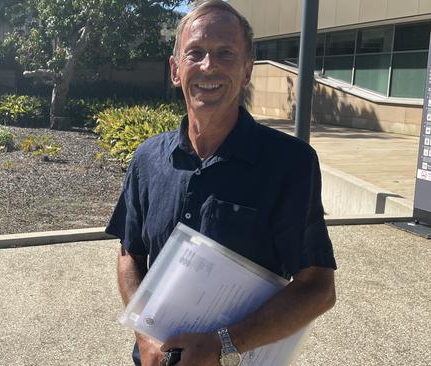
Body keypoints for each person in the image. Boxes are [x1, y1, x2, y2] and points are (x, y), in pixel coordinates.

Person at [106, 1, 337, 365]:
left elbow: (319, 288)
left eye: (225, 54)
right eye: (194, 53)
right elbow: (129, 254)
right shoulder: (147, 159)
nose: (208, 66)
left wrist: (224, 344)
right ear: (175, 70)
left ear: (246, 71)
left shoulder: (290, 163)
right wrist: (144, 333)